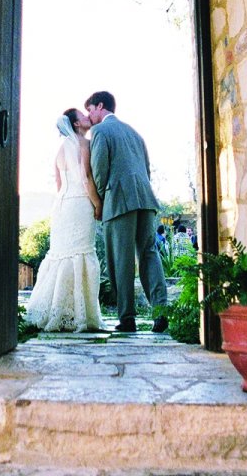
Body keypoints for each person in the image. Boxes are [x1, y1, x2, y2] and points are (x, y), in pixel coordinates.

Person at [85, 90, 168, 333]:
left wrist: (100, 200)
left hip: (118, 200)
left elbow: (99, 170)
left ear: (100, 106)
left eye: (90, 110)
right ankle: (160, 311)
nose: (89, 116)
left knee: (120, 260)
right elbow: (147, 169)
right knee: (149, 254)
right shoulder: (135, 133)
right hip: (145, 198)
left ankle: (128, 318)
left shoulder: (100, 131)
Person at [25, 109, 104, 332]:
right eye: (83, 115)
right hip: (80, 203)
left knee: (61, 255)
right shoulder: (83, 144)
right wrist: (98, 204)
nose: (88, 117)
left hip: (61, 207)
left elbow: (58, 184)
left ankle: (54, 310)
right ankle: (81, 315)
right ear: (77, 124)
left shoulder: (60, 150)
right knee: (82, 253)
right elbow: (86, 178)